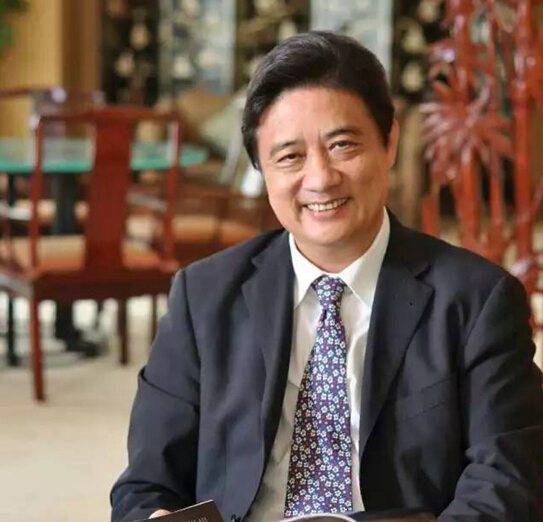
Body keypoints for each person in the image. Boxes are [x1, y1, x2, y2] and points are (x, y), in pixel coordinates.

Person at [110, 31, 543, 522]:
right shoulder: (203, 296)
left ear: (390, 142)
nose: (319, 179)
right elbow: (145, 485)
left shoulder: (477, 300)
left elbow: (505, 481)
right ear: (262, 170)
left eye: (342, 145)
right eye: (289, 157)